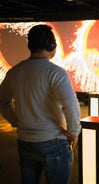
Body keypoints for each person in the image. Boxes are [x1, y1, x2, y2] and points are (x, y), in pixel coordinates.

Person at [0, 24, 81, 184]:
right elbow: (70, 105)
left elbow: (2, 101)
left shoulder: (14, 72)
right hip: (54, 143)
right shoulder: (56, 73)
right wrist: (73, 132)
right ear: (50, 45)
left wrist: (15, 120)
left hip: (25, 142)